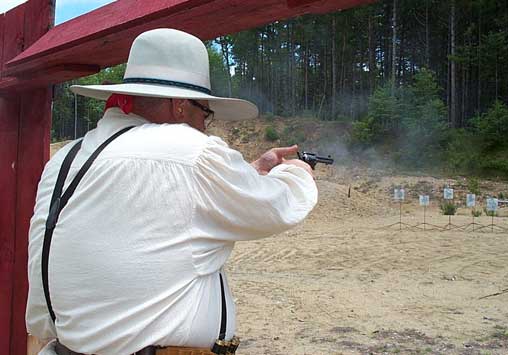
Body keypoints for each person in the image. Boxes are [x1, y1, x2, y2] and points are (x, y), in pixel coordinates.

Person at [26, 29, 317, 355]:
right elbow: (278, 207)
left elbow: (162, 202)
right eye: (204, 111)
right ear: (180, 106)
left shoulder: (64, 159)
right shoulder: (191, 153)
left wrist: (249, 172)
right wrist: (297, 173)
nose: (205, 124)